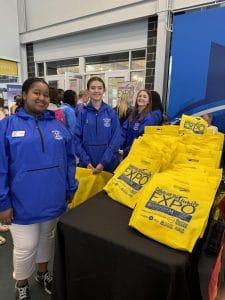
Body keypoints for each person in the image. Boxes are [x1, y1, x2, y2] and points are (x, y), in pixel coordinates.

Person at [0, 77, 78, 300]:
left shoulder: (57, 126)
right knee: (26, 246)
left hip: (53, 199)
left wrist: (70, 188)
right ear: (24, 94)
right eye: (36, 92)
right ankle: (21, 283)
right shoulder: (7, 126)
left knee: (47, 238)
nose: (42, 98)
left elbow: (70, 159)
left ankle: (43, 274)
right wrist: (2, 202)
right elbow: (0, 167)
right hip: (20, 203)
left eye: (45, 94)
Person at [75, 76, 122, 173]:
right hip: (88, 165)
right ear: (88, 91)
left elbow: (116, 140)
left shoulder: (111, 113)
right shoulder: (83, 113)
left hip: (109, 165)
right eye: (93, 88)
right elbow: (76, 139)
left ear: (104, 90)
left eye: (100, 88)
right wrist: (86, 161)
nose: (96, 91)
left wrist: (103, 162)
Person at [120, 89, 156, 158]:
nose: (141, 98)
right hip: (125, 153)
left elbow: (141, 139)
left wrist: (126, 151)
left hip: (136, 154)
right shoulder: (133, 115)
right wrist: (119, 146)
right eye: (139, 96)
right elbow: (123, 131)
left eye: (144, 97)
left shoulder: (149, 118)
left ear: (148, 101)